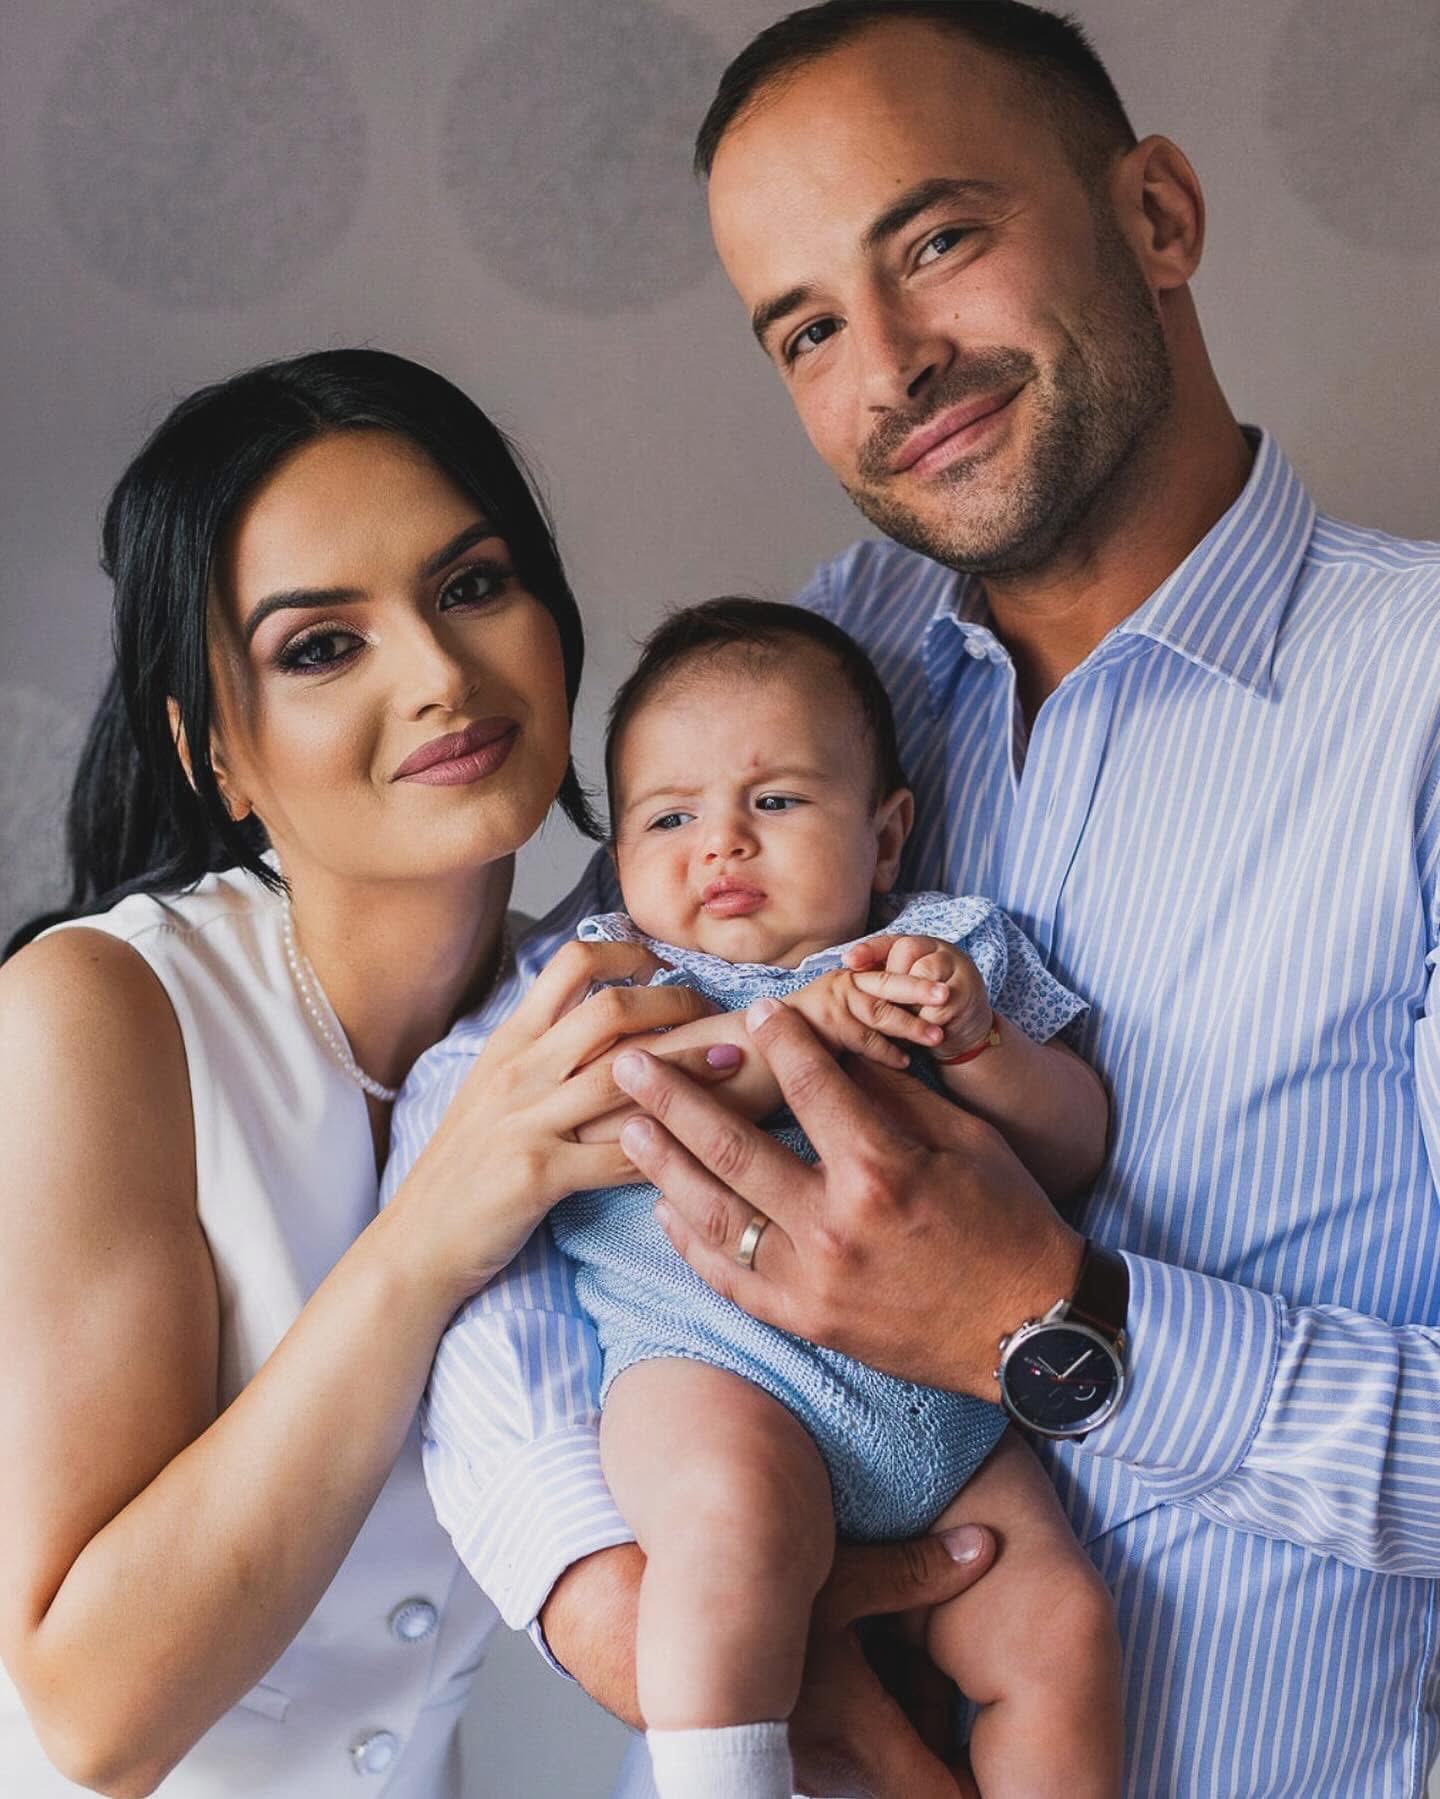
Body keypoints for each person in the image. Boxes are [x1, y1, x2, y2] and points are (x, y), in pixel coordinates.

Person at [388, 4, 1440, 1795]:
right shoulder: (814, 677)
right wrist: (602, 1586)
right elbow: (485, 1117)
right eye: (807, 327)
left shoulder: (1417, 705)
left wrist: (1050, 1320)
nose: (890, 363)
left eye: (939, 240)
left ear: (1158, 214)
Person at [0, 349, 998, 1799]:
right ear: (212, 748)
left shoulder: (606, 1004)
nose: (441, 675)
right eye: (320, 646)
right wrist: (435, 1225)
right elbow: (94, 1717)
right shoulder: (99, 1010)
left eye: (471, 585)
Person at [545, 597, 1118, 1798]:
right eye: (669, 816)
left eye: (775, 801)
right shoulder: (622, 978)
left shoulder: (940, 952)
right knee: (728, 1536)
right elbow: (615, 1111)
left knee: (1060, 1623)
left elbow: (1076, 1142)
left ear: (886, 836)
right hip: (717, 1377)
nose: (721, 844)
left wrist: (980, 1046)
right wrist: (802, 1024)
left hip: (952, 1411)